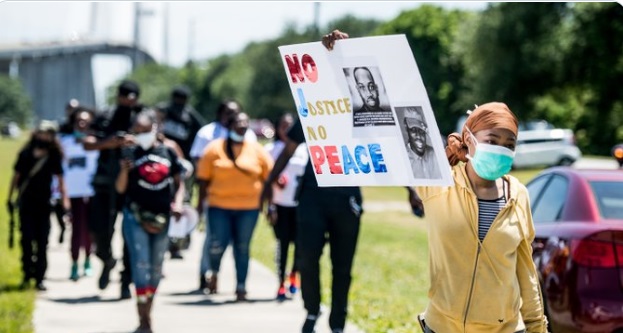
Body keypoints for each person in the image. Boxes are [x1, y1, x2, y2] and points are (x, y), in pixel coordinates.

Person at [410, 102, 548, 332]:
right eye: (492, 141)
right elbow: (403, 147)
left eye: (509, 145)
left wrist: (537, 326)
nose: (500, 149)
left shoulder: (518, 194)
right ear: (469, 138)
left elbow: (526, 272)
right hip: (442, 326)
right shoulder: (438, 185)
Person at [116, 109, 185, 333]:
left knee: (156, 268)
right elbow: (120, 188)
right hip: (135, 216)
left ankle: (148, 310)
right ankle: (143, 318)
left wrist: (178, 202)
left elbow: (179, 181)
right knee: (141, 265)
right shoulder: (130, 151)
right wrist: (124, 171)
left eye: (145, 130)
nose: (141, 134)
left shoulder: (169, 151)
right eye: (138, 131)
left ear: (156, 128)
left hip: (162, 217)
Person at [196, 111, 273, 301]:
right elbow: (203, 180)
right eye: (239, 123)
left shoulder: (256, 149)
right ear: (229, 126)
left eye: (245, 123)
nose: (242, 126)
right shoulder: (214, 149)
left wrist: (270, 206)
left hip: (248, 208)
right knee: (217, 244)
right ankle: (213, 272)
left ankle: (241, 287)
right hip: (219, 206)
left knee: (242, 246)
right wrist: (199, 205)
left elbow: (268, 178)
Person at [189, 100, 256, 291]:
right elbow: (197, 161)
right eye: (228, 113)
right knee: (214, 241)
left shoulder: (249, 136)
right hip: (216, 199)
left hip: (244, 203)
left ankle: (239, 284)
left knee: (241, 245)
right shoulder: (208, 134)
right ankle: (207, 274)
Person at [83, 80, 141, 299]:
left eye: (133, 97)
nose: (130, 100)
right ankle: (107, 260)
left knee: (129, 236)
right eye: (126, 96)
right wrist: (110, 143)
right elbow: (88, 143)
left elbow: (154, 139)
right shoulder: (105, 115)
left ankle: (126, 282)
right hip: (104, 183)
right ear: (119, 96)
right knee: (99, 232)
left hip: (131, 186)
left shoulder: (141, 116)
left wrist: (133, 141)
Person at [7, 120, 69, 291]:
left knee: (42, 242)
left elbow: (61, 180)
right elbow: (16, 176)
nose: (45, 137)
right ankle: (27, 274)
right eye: (43, 133)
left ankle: (40, 278)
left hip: (44, 204)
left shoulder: (53, 155)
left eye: (49, 134)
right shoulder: (26, 153)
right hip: (26, 203)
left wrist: (65, 201)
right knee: (26, 239)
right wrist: (10, 197)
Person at [156, 85, 205, 260]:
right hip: (161, 163)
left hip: (182, 165)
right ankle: (165, 241)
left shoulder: (190, 116)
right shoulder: (163, 112)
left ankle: (178, 242)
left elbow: (200, 133)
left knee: (182, 202)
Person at [264, 113, 307, 301]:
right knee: (282, 245)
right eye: (283, 125)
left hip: (299, 205)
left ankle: (294, 276)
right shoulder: (271, 149)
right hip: (281, 204)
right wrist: (270, 206)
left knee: (300, 245)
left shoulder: (304, 149)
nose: (287, 129)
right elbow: (267, 178)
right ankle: (280, 281)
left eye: (290, 126)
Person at [60, 108, 99, 281]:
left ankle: (88, 260)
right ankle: (75, 263)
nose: (82, 124)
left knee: (90, 229)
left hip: (91, 192)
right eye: (78, 121)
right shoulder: (64, 142)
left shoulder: (96, 143)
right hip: (73, 193)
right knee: (76, 230)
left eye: (86, 121)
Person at [403, 107, 441, 179]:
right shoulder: (403, 157)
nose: (418, 135)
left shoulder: (434, 153)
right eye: (413, 130)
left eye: (421, 130)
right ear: (406, 127)